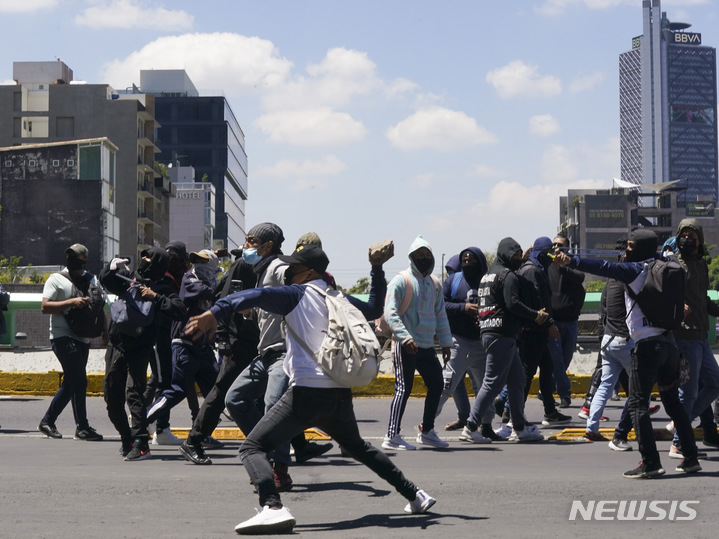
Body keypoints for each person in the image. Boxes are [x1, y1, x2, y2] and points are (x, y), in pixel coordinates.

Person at [185, 244, 436, 535]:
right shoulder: (338, 297)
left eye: (293, 270)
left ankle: (272, 507)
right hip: (338, 393)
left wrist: (213, 313)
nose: (288, 275)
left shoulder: (298, 294)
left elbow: (256, 294)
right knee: (360, 449)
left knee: (252, 447)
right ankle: (416, 495)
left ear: (310, 272)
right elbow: (373, 306)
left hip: (306, 393)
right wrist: (376, 270)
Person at [557, 229, 701, 477]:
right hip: (669, 344)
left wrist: (571, 260)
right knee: (673, 403)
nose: (626, 251)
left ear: (640, 249)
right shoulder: (666, 264)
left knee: (637, 404)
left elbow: (603, 266)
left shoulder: (636, 270)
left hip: (646, 346)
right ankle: (690, 458)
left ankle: (651, 462)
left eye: (631, 247)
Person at [100, 248, 187, 461]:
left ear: (158, 264)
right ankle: (126, 438)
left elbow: (179, 309)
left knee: (134, 394)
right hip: (117, 344)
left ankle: (141, 443)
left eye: (149, 258)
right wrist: (110, 269)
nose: (144, 260)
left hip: (140, 348)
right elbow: (108, 283)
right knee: (111, 397)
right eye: (144, 256)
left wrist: (155, 297)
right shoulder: (131, 279)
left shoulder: (164, 287)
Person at [179, 250, 260, 465]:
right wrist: (223, 340)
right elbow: (226, 301)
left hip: (258, 340)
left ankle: (293, 444)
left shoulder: (268, 267)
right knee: (221, 391)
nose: (248, 247)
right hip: (239, 341)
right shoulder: (243, 266)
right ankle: (194, 441)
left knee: (277, 393)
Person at [461, 237, 544, 443]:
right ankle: (471, 427)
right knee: (491, 383)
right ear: (507, 254)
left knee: (517, 380)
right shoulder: (508, 276)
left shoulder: (488, 276)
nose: (517, 259)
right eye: (515, 255)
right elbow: (513, 304)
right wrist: (535, 315)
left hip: (491, 333)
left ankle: (519, 427)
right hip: (502, 334)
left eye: (519, 255)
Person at [382, 235, 452, 450]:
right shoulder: (401, 280)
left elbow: (440, 314)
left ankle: (427, 431)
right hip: (407, 345)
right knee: (404, 388)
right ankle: (392, 435)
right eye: (418, 255)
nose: (423, 259)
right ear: (411, 257)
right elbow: (390, 313)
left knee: (437, 384)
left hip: (427, 345)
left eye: (426, 255)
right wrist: (405, 338)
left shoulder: (435, 284)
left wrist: (446, 342)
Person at [146, 250, 222, 436]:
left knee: (217, 392)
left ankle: (201, 435)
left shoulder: (212, 283)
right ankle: (141, 423)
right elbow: (208, 292)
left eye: (203, 261)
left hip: (203, 348)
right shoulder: (190, 280)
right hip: (185, 346)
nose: (198, 265)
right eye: (195, 261)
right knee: (177, 390)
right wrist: (223, 287)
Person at [38, 244, 103, 441]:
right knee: (80, 380)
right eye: (70, 256)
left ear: (84, 260)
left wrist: (106, 331)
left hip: (83, 336)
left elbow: (100, 305)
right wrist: (71, 303)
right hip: (61, 336)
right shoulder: (56, 279)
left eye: (76, 256)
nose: (72, 259)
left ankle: (47, 421)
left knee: (71, 382)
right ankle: (82, 428)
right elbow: (45, 307)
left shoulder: (92, 279)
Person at [669, 219, 719, 454]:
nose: (687, 239)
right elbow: (663, 294)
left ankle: (679, 422)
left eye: (692, 235)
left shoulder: (701, 265)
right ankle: (679, 442)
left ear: (699, 240)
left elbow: (703, 299)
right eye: (683, 234)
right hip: (683, 335)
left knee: (715, 384)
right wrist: (678, 307)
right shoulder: (673, 264)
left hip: (701, 335)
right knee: (687, 392)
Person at [435, 247, 495, 438]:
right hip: (459, 342)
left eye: (472, 261)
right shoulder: (454, 280)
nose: (468, 264)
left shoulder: (489, 280)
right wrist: (463, 308)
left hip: (483, 343)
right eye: (465, 261)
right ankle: (427, 422)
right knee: (446, 385)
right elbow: (440, 304)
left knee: (487, 388)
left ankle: (486, 426)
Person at [517, 237, 571, 425]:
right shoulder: (532, 270)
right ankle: (514, 413)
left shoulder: (537, 268)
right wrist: (550, 324)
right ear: (541, 252)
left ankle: (550, 411)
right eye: (549, 252)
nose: (552, 256)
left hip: (537, 329)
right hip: (533, 329)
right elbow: (538, 302)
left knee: (547, 368)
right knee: (526, 373)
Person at [144, 240, 189, 446]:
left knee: (159, 381)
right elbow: (177, 308)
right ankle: (152, 424)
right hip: (160, 337)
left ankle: (151, 422)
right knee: (164, 384)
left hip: (165, 338)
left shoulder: (170, 278)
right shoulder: (162, 282)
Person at [547, 235, 585, 408]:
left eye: (560, 246)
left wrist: (563, 267)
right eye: (554, 245)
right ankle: (564, 394)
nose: (557, 248)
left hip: (571, 322)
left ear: (567, 249)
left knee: (566, 358)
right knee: (558, 360)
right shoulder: (546, 266)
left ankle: (546, 389)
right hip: (553, 322)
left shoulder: (571, 264)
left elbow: (580, 277)